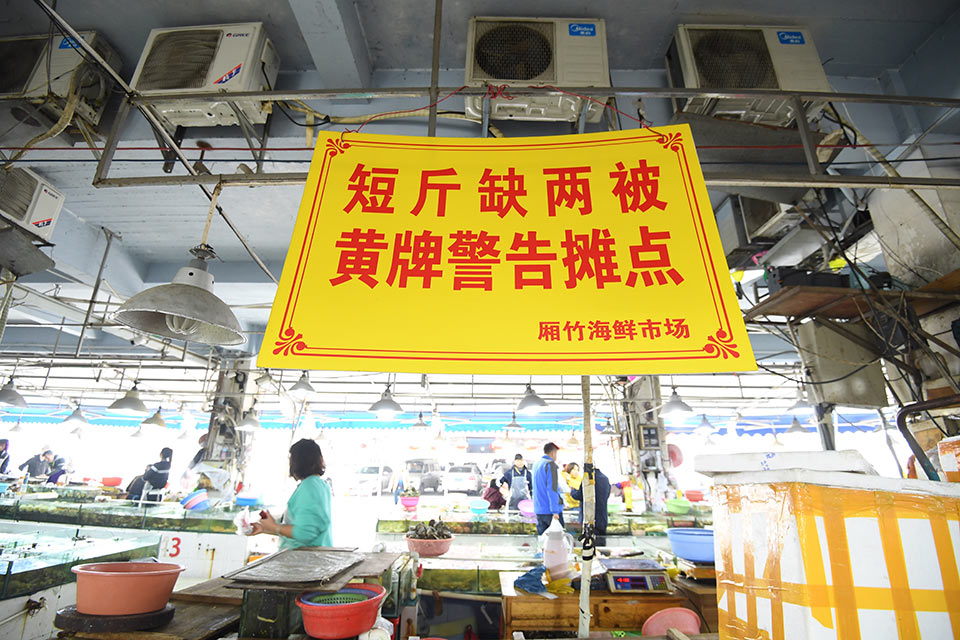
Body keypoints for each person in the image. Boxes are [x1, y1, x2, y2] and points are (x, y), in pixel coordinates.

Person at [250, 439, 332, 548]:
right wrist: (265, 529)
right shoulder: (318, 485)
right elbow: (300, 528)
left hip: (305, 560)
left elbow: (305, 534)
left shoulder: (310, 487)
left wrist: (274, 526)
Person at [571, 467, 611, 546]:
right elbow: (607, 495)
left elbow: (579, 495)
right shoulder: (605, 479)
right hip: (602, 519)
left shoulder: (587, 480)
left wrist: (572, 491)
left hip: (589, 519)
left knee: (588, 548)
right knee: (601, 547)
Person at [532, 442, 564, 535]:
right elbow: (552, 489)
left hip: (539, 510)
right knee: (556, 542)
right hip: (550, 511)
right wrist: (555, 511)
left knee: (543, 542)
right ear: (553, 453)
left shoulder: (536, 465)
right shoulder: (551, 465)